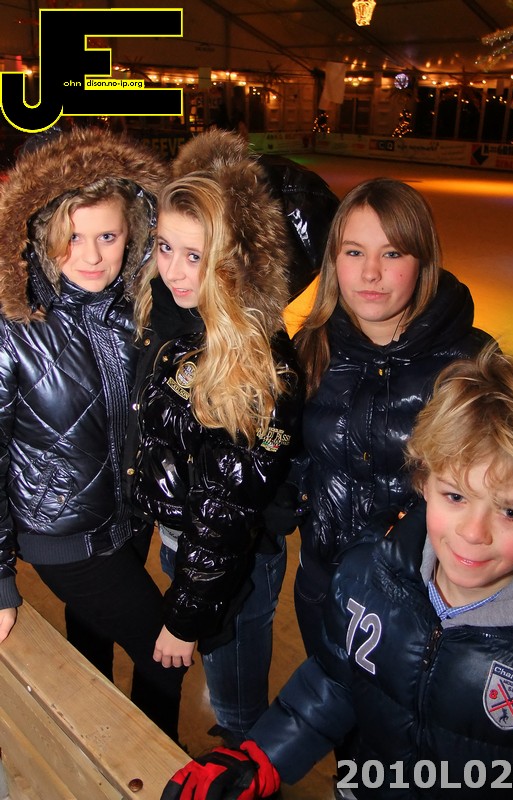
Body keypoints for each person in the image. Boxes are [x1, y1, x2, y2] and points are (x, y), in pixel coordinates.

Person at [159, 346, 513, 800]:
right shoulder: (368, 573)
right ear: (424, 481)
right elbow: (336, 680)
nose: (473, 533)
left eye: (510, 511)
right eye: (455, 497)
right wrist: (263, 757)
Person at [0, 126, 185, 740]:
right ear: (39, 237)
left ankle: (101, 746)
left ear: (133, 234)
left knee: (92, 638)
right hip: (66, 537)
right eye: (72, 237)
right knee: (164, 651)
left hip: (126, 519)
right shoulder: (16, 327)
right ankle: (160, 762)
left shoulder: (138, 310)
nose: (92, 256)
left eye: (107, 236)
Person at [123, 129, 305, 748]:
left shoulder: (255, 362)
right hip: (186, 547)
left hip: (231, 562)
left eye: (194, 255)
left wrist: (186, 617)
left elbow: (227, 512)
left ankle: (247, 770)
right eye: (164, 248)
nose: (172, 270)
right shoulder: (173, 317)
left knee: (237, 711)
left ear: (229, 260)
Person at [287, 177, 492, 659]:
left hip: (420, 600)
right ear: (334, 260)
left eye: (393, 253)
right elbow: (296, 448)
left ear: (422, 261)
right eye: (354, 252)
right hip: (323, 580)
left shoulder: (471, 366)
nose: (371, 273)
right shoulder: (310, 349)